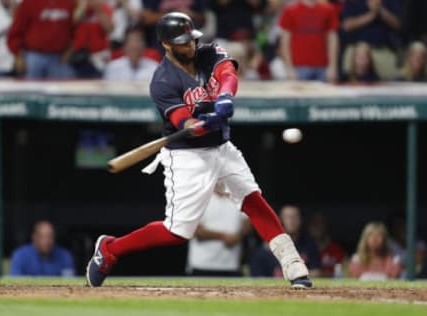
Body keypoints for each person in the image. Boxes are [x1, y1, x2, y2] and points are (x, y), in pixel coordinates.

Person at [86, 12, 312, 289]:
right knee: (177, 232)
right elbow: (184, 122)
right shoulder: (162, 81)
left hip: (222, 147)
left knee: (253, 200)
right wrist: (200, 123)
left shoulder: (208, 52)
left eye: (191, 39)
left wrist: (226, 96)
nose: (190, 46)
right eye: (182, 42)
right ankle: (110, 249)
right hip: (188, 155)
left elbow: (227, 73)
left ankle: (294, 267)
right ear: (166, 45)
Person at [186, 189, 251, 277]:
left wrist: (239, 236)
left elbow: (248, 221)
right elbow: (195, 230)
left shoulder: (238, 198)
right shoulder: (200, 198)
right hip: (201, 264)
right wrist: (223, 236)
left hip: (231, 265)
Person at [7, 0, 76, 79]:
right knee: (31, 89)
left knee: (63, 88)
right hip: (33, 57)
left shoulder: (67, 3)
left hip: (58, 57)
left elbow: (72, 31)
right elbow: (16, 31)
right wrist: (18, 56)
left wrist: (69, 51)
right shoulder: (29, 3)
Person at [249, 205, 321, 277]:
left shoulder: (309, 245)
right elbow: (258, 279)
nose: (291, 221)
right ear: (279, 220)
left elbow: (316, 272)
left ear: (301, 220)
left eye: (295, 217)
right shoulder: (267, 248)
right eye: (287, 217)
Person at [278, 0, 339, 82]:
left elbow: (332, 39)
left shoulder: (328, 9)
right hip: (298, 68)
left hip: (323, 67)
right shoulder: (290, 10)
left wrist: (332, 67)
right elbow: (285, 42)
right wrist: (289, 68)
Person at [10, 220, 75, 277]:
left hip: (56, 291)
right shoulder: (20, 255)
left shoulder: (65, 256)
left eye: (50, 236)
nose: (47, 241)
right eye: (42, 237)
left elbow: (69, 282)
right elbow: (14, 282)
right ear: (34, 237)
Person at [307, 211, 345, 277]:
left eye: (320, 223)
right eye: (315, 223)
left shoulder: (336, 249)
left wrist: (320, 273)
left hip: (334, 285)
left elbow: (344, 272)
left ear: (326, 225)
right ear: (309, 226)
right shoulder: (302, 248)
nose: (317, 227)